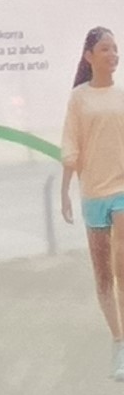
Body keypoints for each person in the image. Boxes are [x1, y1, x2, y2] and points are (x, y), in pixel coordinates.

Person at [73, 27, 123, 377]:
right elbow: (70, 144)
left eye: (116, 49)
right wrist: (65, 187)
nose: (114, 54)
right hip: (93, 194)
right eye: (106, 48)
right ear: (89, 56)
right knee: (103, 276)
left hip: (121, 190)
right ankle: (117, 342)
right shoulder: (78, 99)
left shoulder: (121, 97)